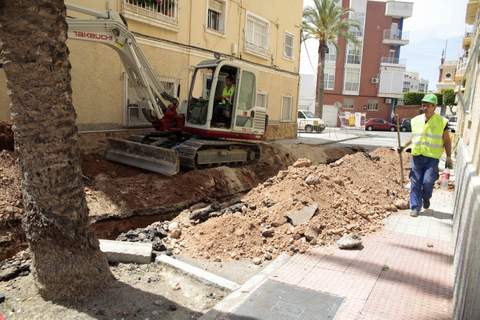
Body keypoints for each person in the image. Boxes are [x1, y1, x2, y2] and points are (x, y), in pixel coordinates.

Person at [398, 93, 453, 217]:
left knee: (427, 182)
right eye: (424, 105)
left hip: (432, 158)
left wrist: (448, 156)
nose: (426, 107)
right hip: (417, 156)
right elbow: (415, 137)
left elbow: (447, 140)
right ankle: (415, 207)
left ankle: (426, 197)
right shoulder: (416, 120)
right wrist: (403, 146)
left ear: (435, 107)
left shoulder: (442, 122)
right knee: (415, 182)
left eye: (429, 105)